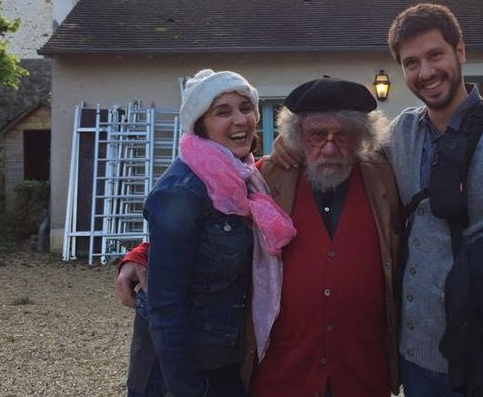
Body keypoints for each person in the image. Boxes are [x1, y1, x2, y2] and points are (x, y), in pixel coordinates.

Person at [271, 3, 483, 397]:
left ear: (460, 51)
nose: (425, 72)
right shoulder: (402, 134)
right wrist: (290, 142)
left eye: (435, 55)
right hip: (416, 360)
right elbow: (343, 152)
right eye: (411, 63)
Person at [117, 77, 402, 397]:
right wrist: (143, 254)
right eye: (317, 134)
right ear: (297, 135)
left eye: (345, 135)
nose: (330, 148)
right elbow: (204, 223)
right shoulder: (264, 178)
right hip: (283, 372)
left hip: (360, 372)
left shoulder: (385, 178)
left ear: (363, 136)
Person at [120, 69, 295, 397]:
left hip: (222, 355)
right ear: (200, 125)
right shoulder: (182, 191)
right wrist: (188, 389)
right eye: (223, 112)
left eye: (246, 108)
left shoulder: (244, 178)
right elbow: (165, 306)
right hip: (178, 370)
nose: (240, 119)